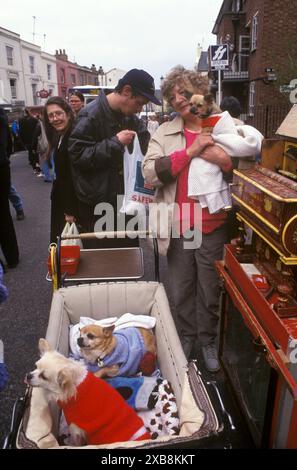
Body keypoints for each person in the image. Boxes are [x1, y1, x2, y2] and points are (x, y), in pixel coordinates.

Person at [142, 67, 262, 372]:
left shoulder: (228, 127)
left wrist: (225, 163)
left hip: (213, 225)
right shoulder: (164, 132)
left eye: (184, 92)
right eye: (172, 97)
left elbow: (253, 175)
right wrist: (190, 151)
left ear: (199, 90)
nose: (179, 100)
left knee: (209, 288)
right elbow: (150, 174)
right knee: (182, 287)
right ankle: (187, 335)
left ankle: (208, 339)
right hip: (179, 222)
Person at [68, 69, 161, 248]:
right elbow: (77, 156)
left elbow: (147, 147)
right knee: (102, 263)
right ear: (126, 91)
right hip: (98, 205)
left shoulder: (130, 117)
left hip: (126, 201)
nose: (140, 109)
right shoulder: (90, 115)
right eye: (139, 103)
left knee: (128, 259)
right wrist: (115, 143)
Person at [43, 97, 78, 243]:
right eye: (51, 115)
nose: (55, 118)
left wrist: (70, 210)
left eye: (58, 113)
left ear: (68, 114)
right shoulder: (59, 135)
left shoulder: (73, 136)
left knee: (68, 248)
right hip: (60, 199)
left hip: (69, 204)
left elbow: (72, 176)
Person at [0, 108, 19, 268]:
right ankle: (12, 257)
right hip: (2, 167)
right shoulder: (2, 118)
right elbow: (9, 145)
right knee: (4, 214)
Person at [19, 108, 40, 174]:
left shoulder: (21, 120)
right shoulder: (34, 120)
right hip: (34, 138)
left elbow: (21, 131)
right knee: (35, 152)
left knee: (30, 151)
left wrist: (22, 140)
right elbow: (37, 130)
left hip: (26, 139)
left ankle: (33, 164)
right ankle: (37, 164)